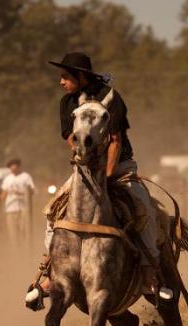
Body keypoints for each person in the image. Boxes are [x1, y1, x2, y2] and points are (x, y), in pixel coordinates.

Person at [26, 52, 165, 307]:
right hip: (84, 171)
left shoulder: (110, 98)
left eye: (65, 77)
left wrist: (108, 176)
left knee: (143, 208)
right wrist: (83, 160)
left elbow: (115, 141)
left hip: (119, 167)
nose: (61, 82)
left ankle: (149, 273)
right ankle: (50, 271)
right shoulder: (67, 103)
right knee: (53, 211)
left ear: (81, 76)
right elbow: (70, 137)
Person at [0, 158, 35, 248]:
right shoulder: (7, 179)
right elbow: (4, 193)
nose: (12, 168)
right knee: (13, 234)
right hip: (10, 210)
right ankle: (15, 252)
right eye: (10, 166)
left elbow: (32, 191)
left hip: (23, 209)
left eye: (14, 165)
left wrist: (20, 193)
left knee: (24, 232)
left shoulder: (26, 176)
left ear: (18, 166)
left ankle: (26, 250)